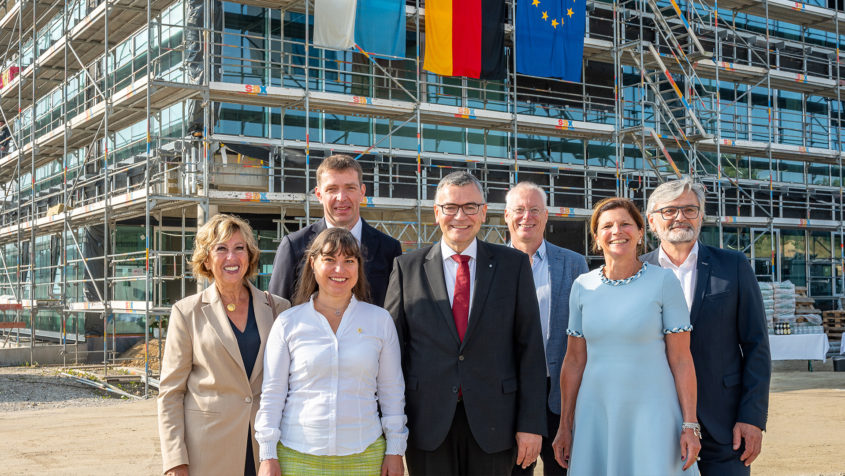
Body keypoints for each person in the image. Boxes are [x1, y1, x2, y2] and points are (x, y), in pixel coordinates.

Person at [385, 171, 547, 476]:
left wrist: (531, 425)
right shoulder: (407, 268)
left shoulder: (512, 267)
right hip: (427, 424)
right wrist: (392, 427)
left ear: (483, 212)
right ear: (436, 213)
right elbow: (391, 353)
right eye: (450, 207)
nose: (460, 216)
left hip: (496, 424)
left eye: (470, 207)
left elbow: (530, 350)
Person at [552, 197, 700, 475]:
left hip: (654, 414)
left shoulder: (664, 282)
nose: (617, 231)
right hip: (597, 414)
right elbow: (573, 362)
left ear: (641, 232)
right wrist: (565, 425)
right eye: (607, 226)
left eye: (625, 224)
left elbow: (681, 360)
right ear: (596, 237)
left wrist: (690, 424)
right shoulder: (582, 286)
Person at [641, 178, 771, 475]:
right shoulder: (638, 271)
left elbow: (756, 346)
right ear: (651, 220)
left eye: (690, 209)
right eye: (669, 211)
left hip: (724, 427)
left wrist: (752, 417)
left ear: (701, 215)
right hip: (655, 419)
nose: (680, 218)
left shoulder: (733, 266)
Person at [255, 228, 407, 476]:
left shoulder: (379, 321)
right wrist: (268, 454)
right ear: (313, 263)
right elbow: (272, 394)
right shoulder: (288, 323)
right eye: (330, 260)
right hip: (296, 456)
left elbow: (392, 392)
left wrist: (395, 450)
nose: (340, 269)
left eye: (349, 261)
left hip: (366, 456)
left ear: (359, 267)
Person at [158, 214, 291, 476]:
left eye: (239, 248)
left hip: (268, 449)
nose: (232, 257)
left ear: (250, 255)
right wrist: (175, 460)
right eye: (221, 249)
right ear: (206, 259)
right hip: (208, 450)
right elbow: (171, 393)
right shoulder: (186, 312)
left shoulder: (278, 308)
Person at [504, 182, 588, 476]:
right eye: (519, 209)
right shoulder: (490, 265)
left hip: (560, 392)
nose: (527, 216)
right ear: (506, 216)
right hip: (508, 392)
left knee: (563, 469)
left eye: (535, 210)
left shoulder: (575, 264)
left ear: (546, 215)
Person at [268, 154, 402, 307]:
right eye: (332, 189)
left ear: (362, 192)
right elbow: (277, 310)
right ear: (319, 194)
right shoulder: (294, 246)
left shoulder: (389, 249)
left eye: (350, 188)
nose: (341, 197)